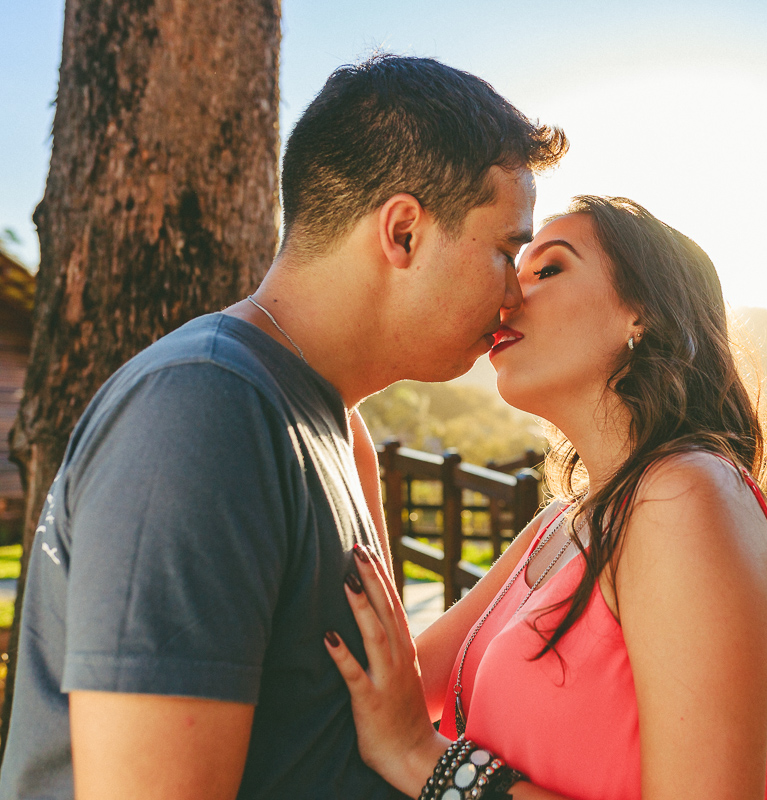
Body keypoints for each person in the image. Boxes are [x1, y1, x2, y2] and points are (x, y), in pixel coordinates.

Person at [0, 55, 566, 799]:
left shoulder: (331, 428)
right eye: (505, 250)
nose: (514, 290)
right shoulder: (204, 408)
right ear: (403, 233)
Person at [325, 196, 767, 799]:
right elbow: (397, 686)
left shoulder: (687, 496)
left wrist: (428, 761)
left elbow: (407, 736)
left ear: (642, 313)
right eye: (511, 269)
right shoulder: (560, 524)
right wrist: (349, 397)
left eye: (547, 270)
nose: (507, 297)